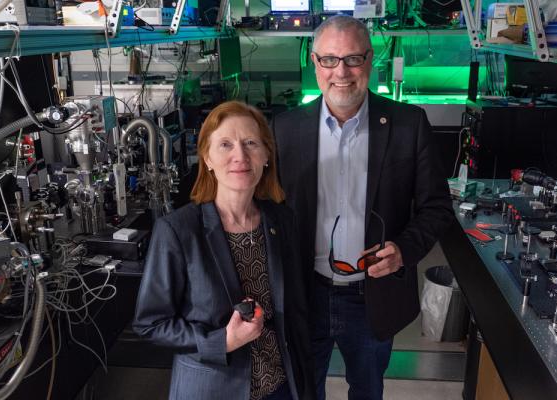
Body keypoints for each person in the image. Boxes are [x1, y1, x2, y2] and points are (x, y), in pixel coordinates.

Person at [273, 16, 454, 400]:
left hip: (371, 296)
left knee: (368, 390)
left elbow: (437, 207)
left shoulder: (409, 124)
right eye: (330, 60)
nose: (342, 71)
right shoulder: (283, 129)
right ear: (314, 63)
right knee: (303, 390)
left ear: (372, 60)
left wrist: (404, 250)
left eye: (353, 59)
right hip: (306, 293)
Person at [134, 101, 315, 400]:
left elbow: (296, 309)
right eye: (225, 144)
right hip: (213, 390)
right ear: (207, 157)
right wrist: (221, 342)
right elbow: (150, 324)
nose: (240, 156)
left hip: (281, 385)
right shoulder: (178, 231)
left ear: (267, 155)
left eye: (250, 143)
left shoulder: (282, 220)